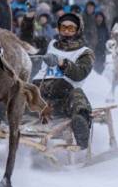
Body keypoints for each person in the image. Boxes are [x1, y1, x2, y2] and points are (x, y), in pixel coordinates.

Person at [33, 13, 94, 149]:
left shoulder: (85, 52)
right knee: (21, 89)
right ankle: (5, 112)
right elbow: (31, 44)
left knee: (77, 96)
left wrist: (62, 63)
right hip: (40, 91)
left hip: (64, 95)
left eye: (71, 28)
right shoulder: (52, 44)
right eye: (63, 28)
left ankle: (81, 125)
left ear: (78, 30)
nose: (66, 31)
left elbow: (80, 73)